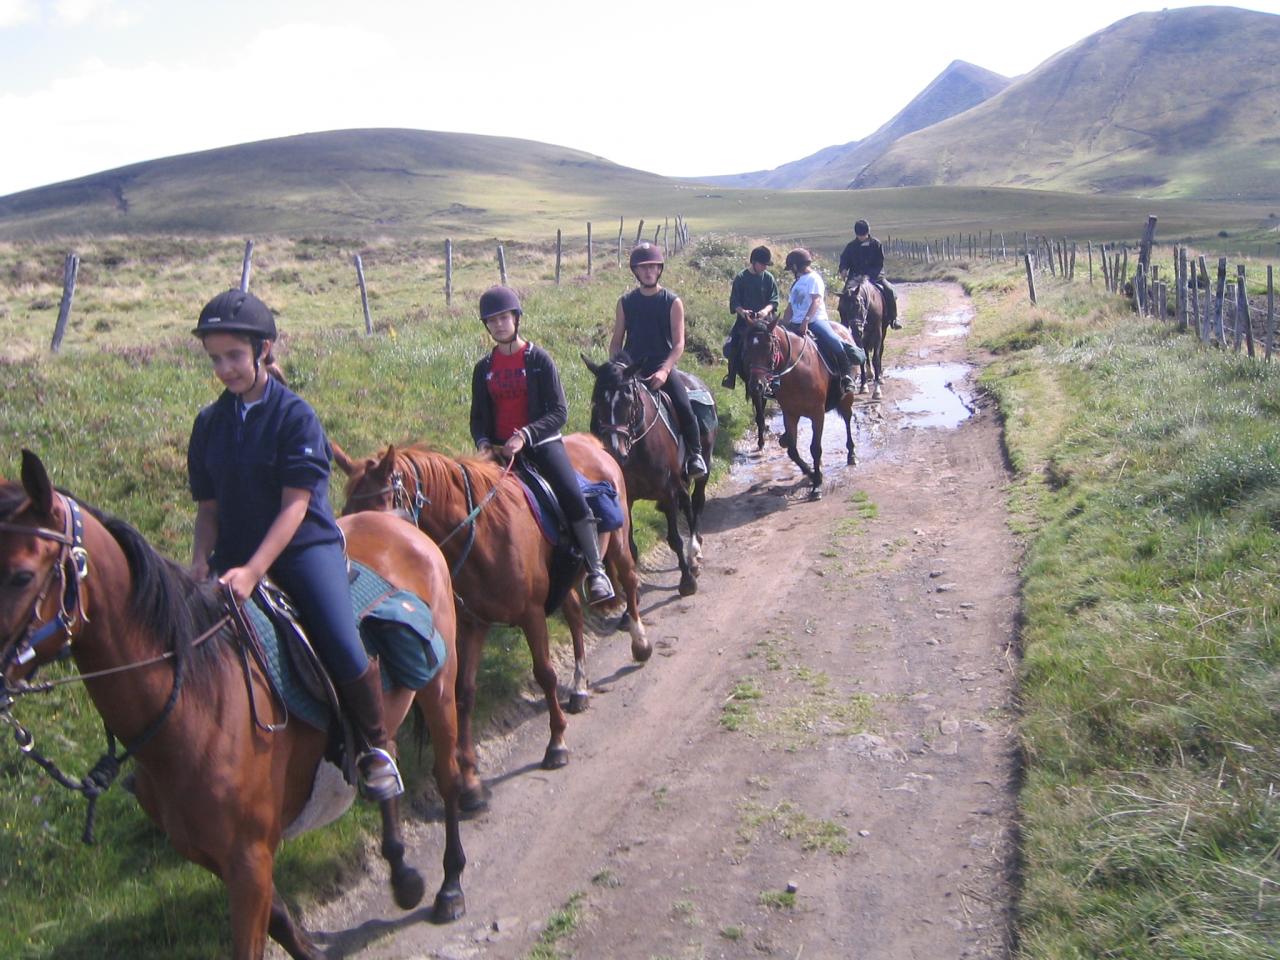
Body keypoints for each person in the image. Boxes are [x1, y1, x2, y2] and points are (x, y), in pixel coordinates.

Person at [187, 289, 403, 801]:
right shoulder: (209, 424)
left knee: (336, 634)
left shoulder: (295, 416)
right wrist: (199, 561)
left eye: (234, 357)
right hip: (234, 552)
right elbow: (208, 509)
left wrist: (254, 570)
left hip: (302, 549)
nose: (224, 369)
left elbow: (295, 507)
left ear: (263, 350)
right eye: (215, 358)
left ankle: (376, 747)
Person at [469, 285, 616, 605]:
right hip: (498, 451)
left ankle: (596, 570)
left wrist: (525, 435)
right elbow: (478, 417)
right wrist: (483, 443)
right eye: (491, 321)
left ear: (516, 318)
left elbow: (559, 412)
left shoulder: (539, 360)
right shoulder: (483, 369)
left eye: (503, 318)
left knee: (572, 496)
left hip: (542, 444)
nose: (498, 325)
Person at [609, 243, 707, 479]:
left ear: (659, 269)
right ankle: (607, 452)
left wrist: (664, 371)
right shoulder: (625, 302)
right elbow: (616, 342)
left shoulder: (672, 301)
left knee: (683, 405)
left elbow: (678, 344)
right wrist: (619, 368)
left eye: (652, 267)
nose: (648, 271)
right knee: (608, 405)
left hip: (661, 366)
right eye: (643, 268)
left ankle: (695, 454)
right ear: (635, 271)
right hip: (632, 370)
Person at [782, 248, 856, 395]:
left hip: (816, 320)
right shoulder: (796, 283)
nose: (791, 271)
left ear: (797, 266)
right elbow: (790, 307)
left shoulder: (814, 279)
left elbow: (816, 301)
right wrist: (783, 324)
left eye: (792, 268)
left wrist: (806, 321)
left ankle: (846, 375)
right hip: (795, 321)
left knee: (833, 340)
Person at [723, 245, 781, 389]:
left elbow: (774, 300)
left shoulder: (769, 278)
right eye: (763, 264)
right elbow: (734, 301)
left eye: (766, 265)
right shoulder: (741, 278)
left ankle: (777, 378)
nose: (765, 268)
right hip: (745, 322)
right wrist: (743, 312)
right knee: (732, 346)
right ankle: (731, 377)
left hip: (765, 321)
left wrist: (764, 311)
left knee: (778, 344)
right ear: (753, 262)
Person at [838, 219, 900, 329]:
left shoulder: (876, 244)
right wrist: (843, 269)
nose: (862, 237)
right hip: (855, 278)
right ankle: (844, 322)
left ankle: (893, 318)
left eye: (863, 235)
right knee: (844, 297)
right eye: (859, 235)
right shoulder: (851, 246)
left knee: (889, 290)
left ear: (868, 232)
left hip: (874, 277)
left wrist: (869, 276)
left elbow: (879, 263)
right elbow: (844, 260)